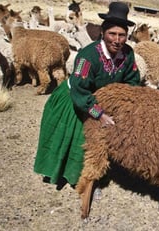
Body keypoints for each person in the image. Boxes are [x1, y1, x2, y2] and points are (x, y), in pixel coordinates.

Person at [33, 2, 140, 189]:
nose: (117, 39)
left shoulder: (128, 54)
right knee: (78, 139)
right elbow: (79, 89)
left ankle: (93, 176)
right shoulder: (88, 56)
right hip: (75, 99)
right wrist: (99, 114)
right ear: (103, 33)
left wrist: (125, 104)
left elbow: (132, 81)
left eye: (122, 35)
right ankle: (75, 178)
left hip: (104, 100)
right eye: (112, 34)